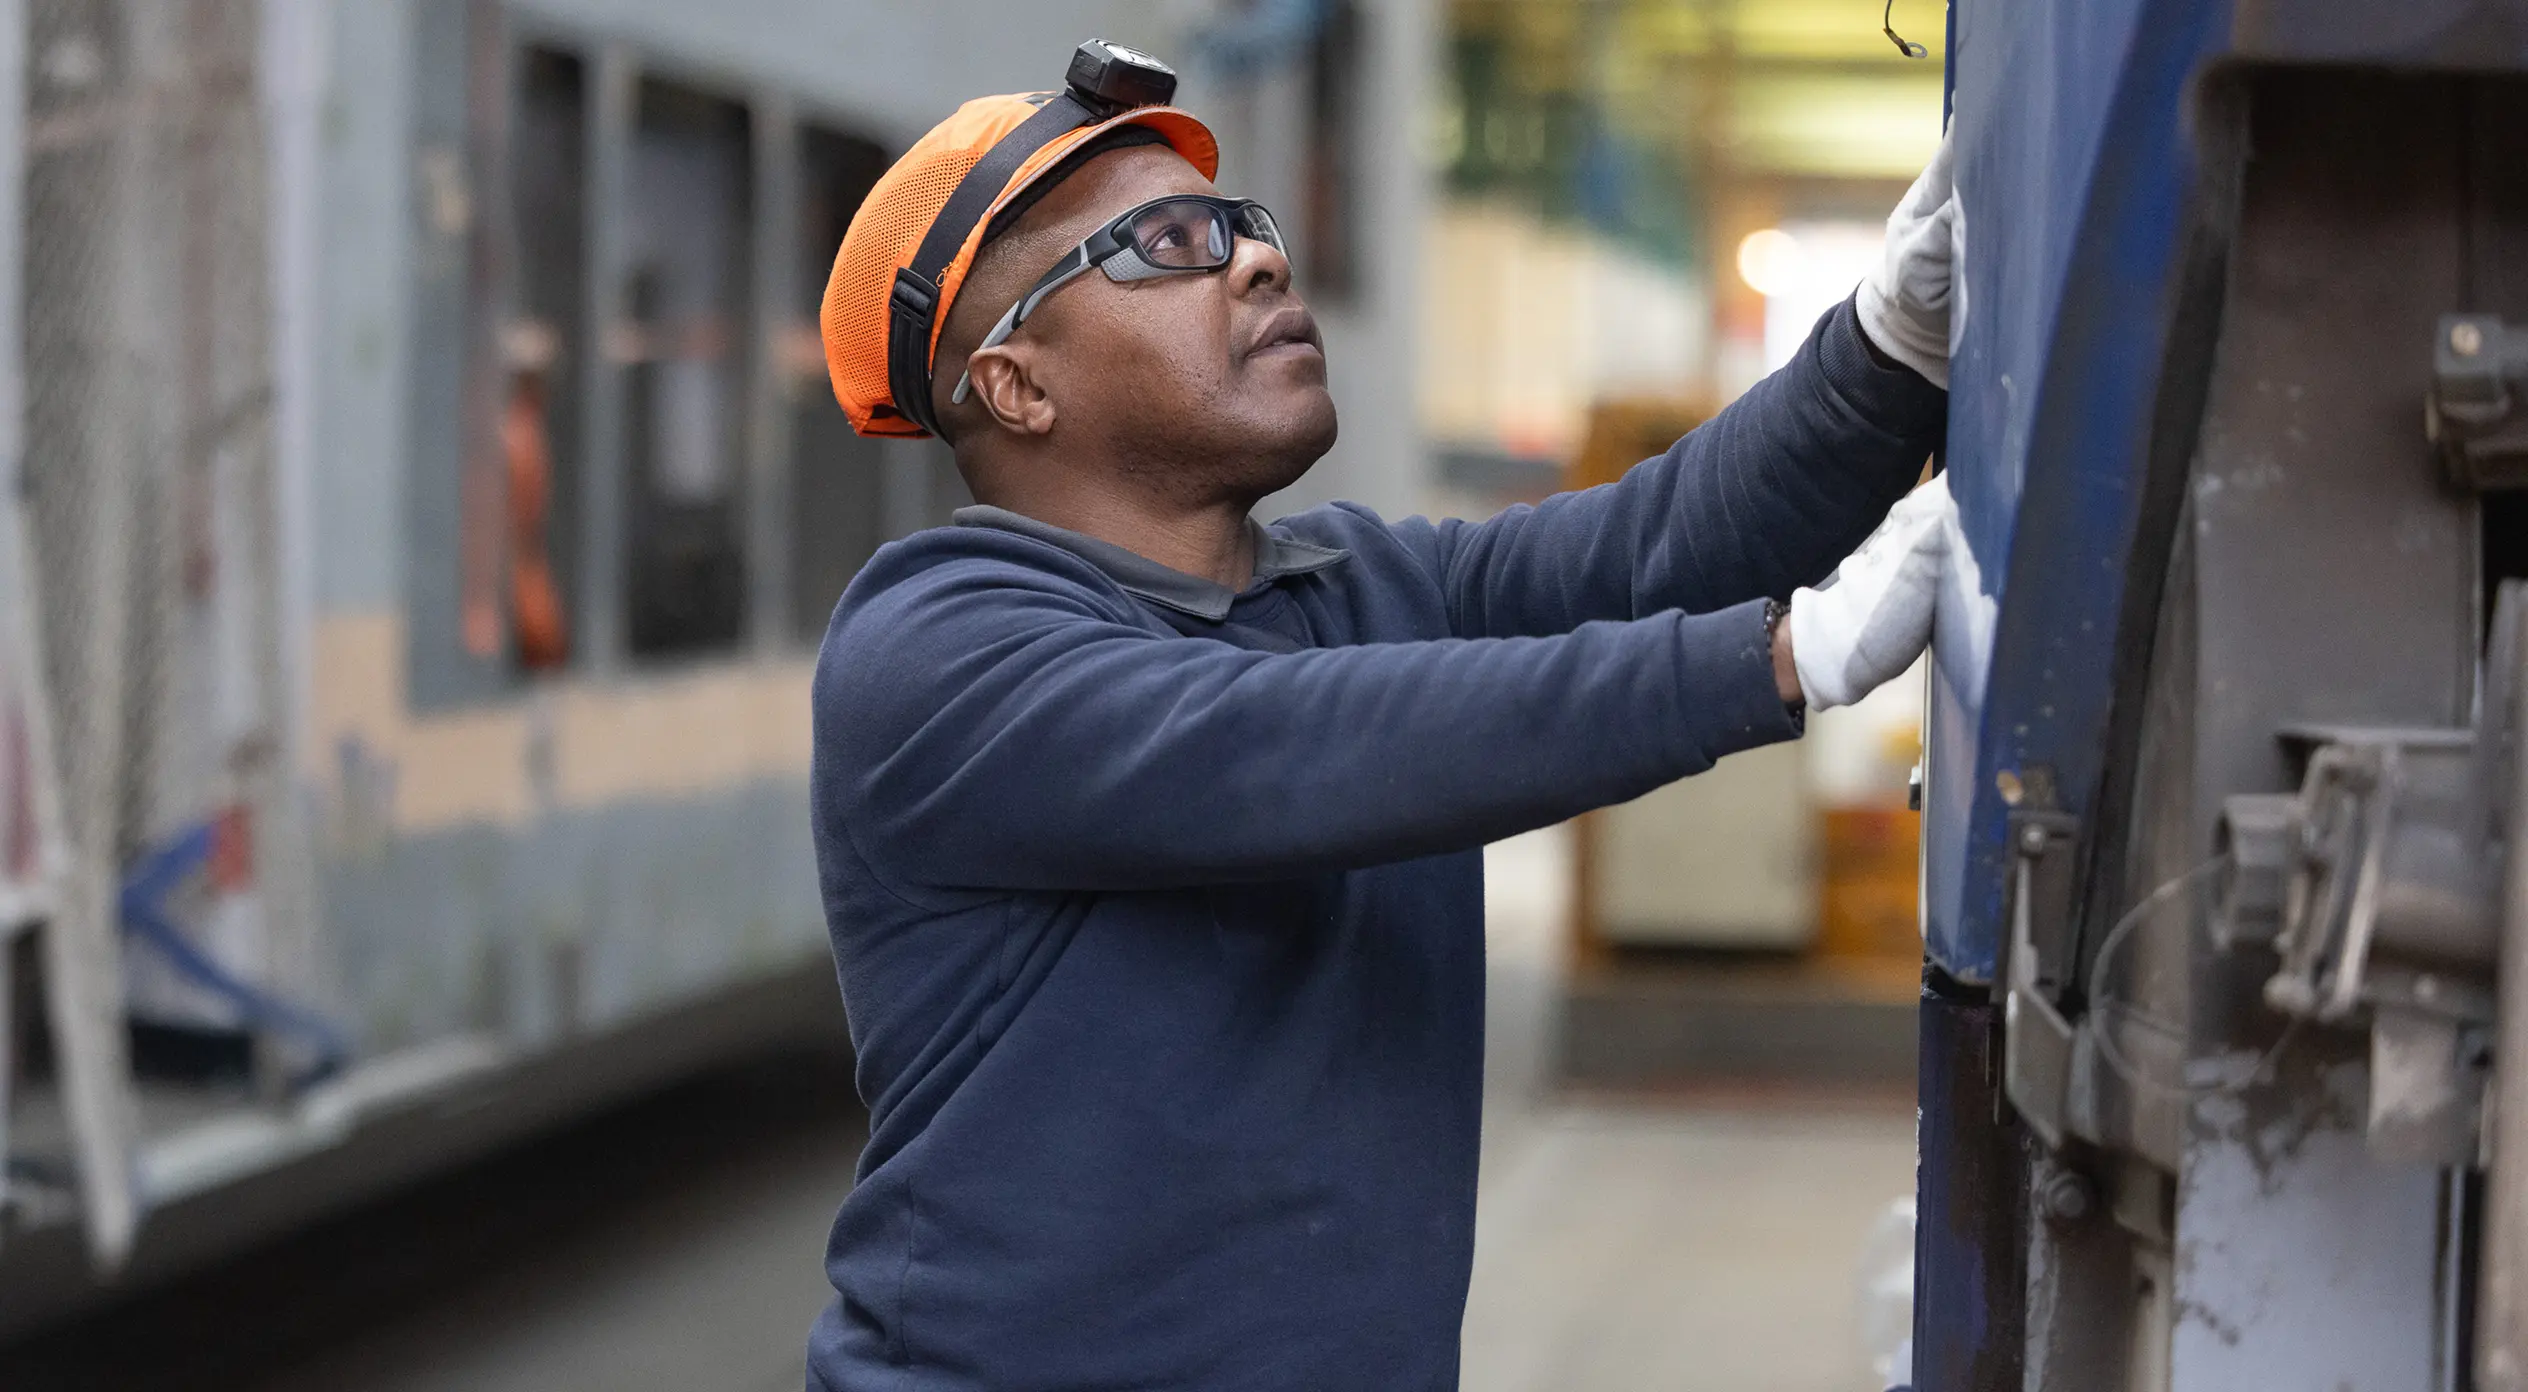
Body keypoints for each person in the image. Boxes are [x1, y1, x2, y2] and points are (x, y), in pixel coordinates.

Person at [806, 40, 1958, 1392]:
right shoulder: (936, 646)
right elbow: (1285, 746)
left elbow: (1658, 546)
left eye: (1244, 227)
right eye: (1166, 243)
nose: (1255, 261)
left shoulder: (1352, 587)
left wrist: (1889, 345)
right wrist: (1780, 657)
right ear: (1018, 385)